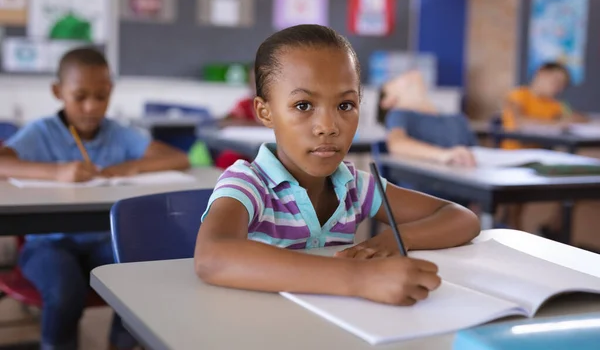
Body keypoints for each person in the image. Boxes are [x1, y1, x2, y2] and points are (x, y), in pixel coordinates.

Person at [194, 25, 480, 306]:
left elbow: (461, 218)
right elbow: (212, 257)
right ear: (265, 112)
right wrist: (361, 278)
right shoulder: (249, 183)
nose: (328, 127)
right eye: (304, 105)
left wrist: (396, 238)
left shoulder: (357, 187)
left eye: (345, 106)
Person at [0, 47, 190, 350]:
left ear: (110, 92)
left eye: (101, 97)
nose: (91, 107)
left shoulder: (117, 133)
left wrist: (129, 166)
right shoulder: (40, 132)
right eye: (80, 96)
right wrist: (56, 172)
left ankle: (121, 343)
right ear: (57, 92)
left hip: (105, 240)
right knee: (64, 291)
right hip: (46, 244)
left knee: (140, 277)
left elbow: (178, 158)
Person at [378, 70, 477, 167]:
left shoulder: (458, 118)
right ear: (388, 101)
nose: (409, 73)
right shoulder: (398, 114)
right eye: (397, 78)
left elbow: (476, 153)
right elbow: (397, 144)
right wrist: (444, 155)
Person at [502, 61, 587, 149]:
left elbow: (578, 118)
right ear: (541, 74)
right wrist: (557, 123)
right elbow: (520, 123)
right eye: (556, 82)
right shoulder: (518, 95)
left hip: (543, 154)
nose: (559, 89)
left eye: (563, 85)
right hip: (517, 153)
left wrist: (573, 118)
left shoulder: (555, 104)